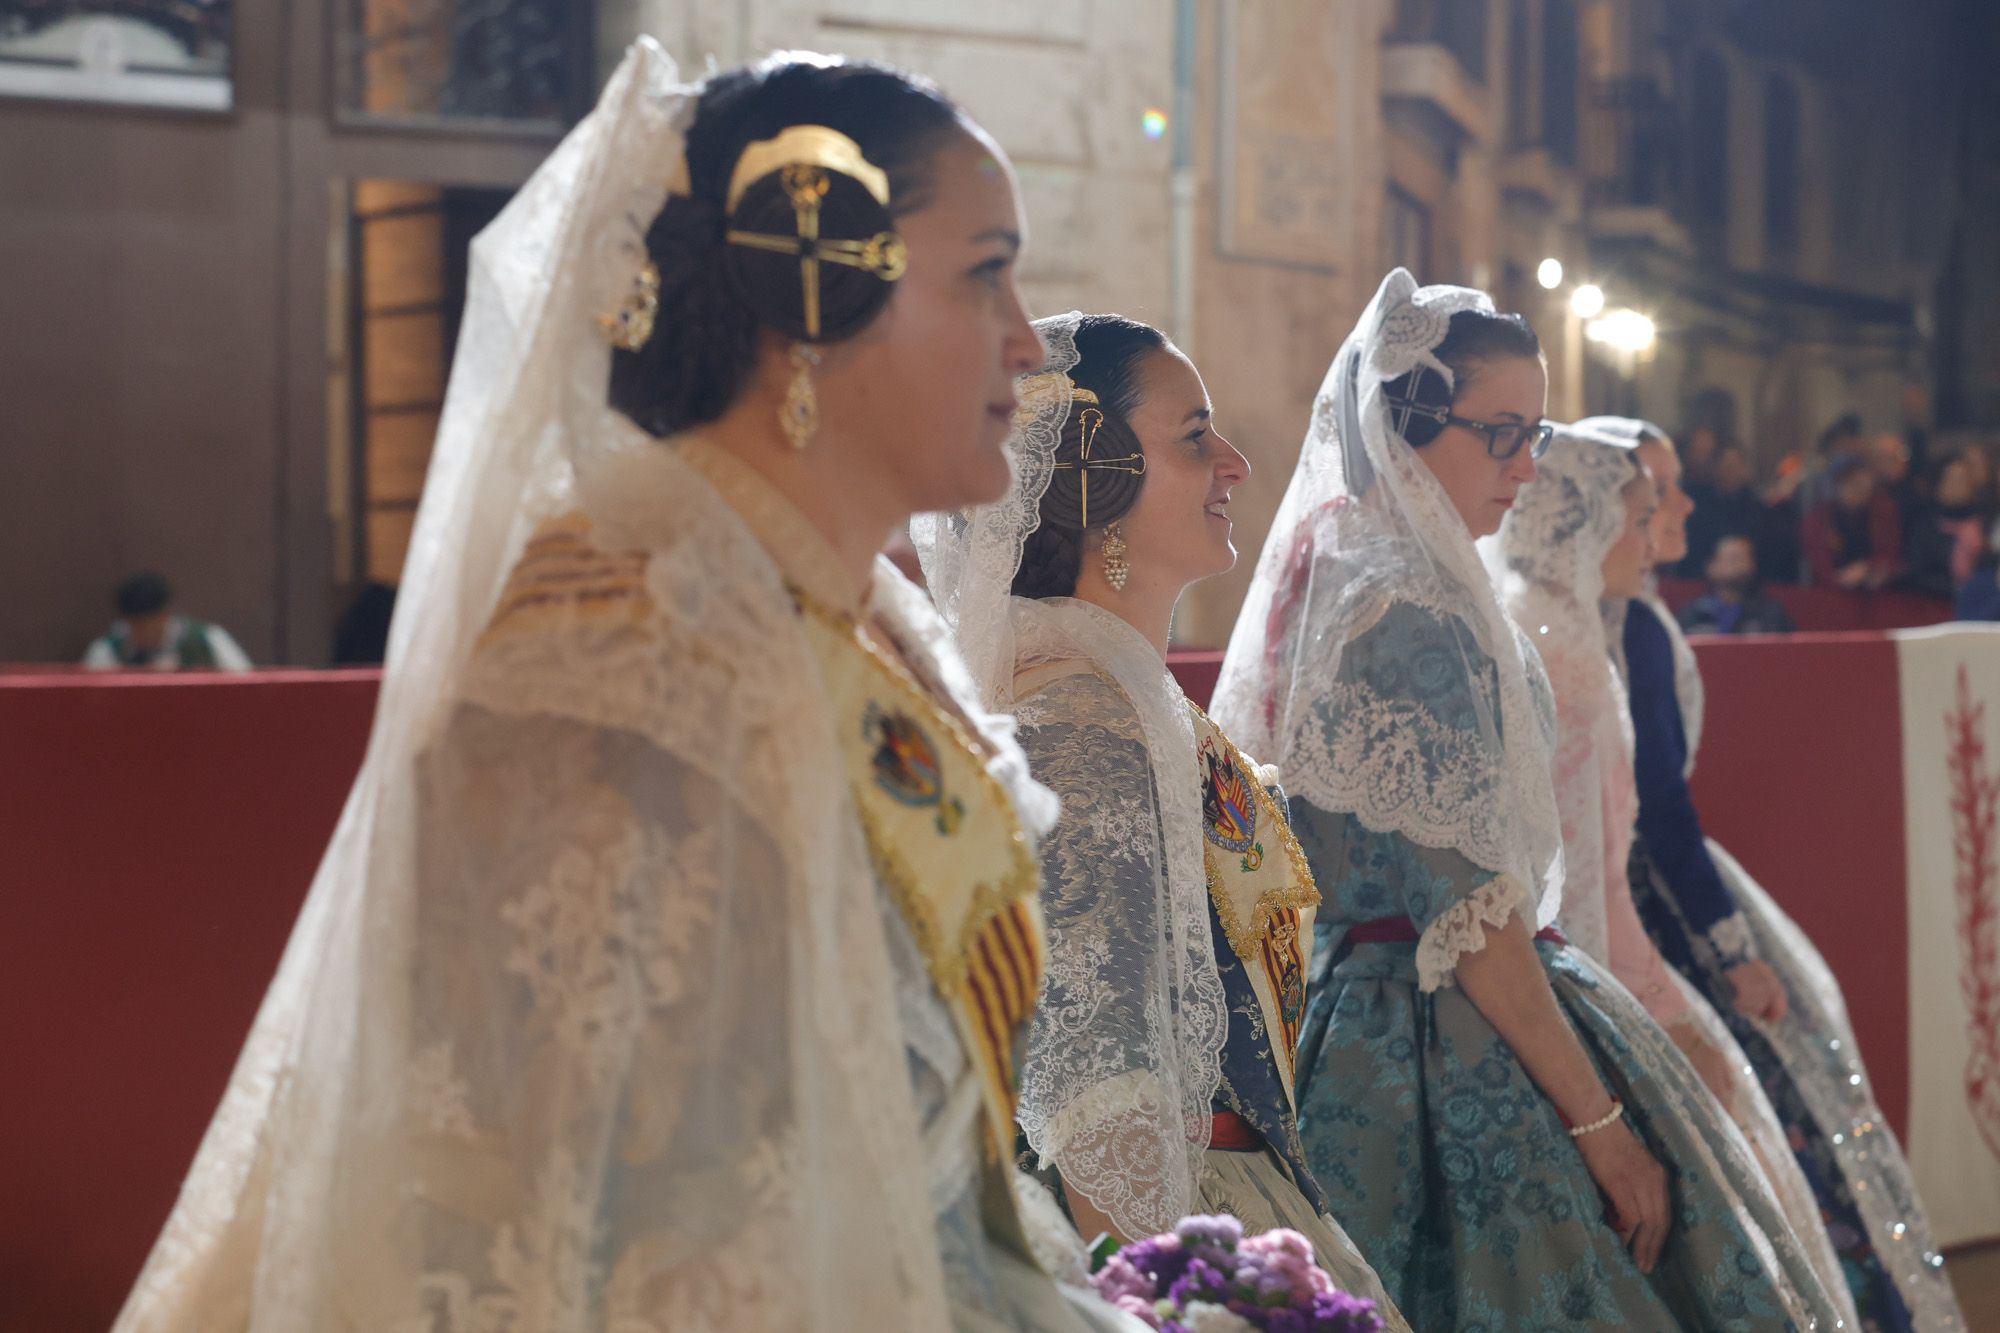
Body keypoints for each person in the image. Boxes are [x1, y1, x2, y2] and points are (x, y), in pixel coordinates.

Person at [114, 42, 1148, 1332]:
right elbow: (632, 1249)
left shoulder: (842, 613)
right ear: (805, 298)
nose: (1023, 346)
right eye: (986, 272)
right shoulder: (619, 677)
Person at [1209, 268, 1844, 1329]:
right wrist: (1597, 1122)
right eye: (1499, 432)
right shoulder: (1410, 606)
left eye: (1534, 435)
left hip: (1359, 1014)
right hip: (1437, 1026)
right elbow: (1472, 917)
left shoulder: (1364, 571)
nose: (1523, 466)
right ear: (1405, 422)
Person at [917, 313, 1408, 1327]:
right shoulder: (1087, 726)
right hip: (1151, 1221)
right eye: (1193, 436)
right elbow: (1099, 1079)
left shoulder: (1109, 696)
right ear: (1093, 485)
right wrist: (1165, 1297)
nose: (1232, 461)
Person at [1488, 426, 1853, 1324]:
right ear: (1590, 517)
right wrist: (1635, 1025)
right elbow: (1575, 871)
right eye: (1645, 509)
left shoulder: (1580, 621)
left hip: (1611, 925)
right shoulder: (1568, 641)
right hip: (1600, 941)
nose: (1661, 527)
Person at [1615, 415, 1967, 1331]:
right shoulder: (1632, 627)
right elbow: (1661, 806)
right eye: (1662, 488)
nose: (1684, 503)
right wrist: (1730, 947)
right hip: (1658, 902)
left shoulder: (1617, 617)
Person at [82, 571, 252, 671]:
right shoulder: (108, 651)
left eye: (147, 625)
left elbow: (245, 687)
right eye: (134, 626)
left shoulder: (206, 640)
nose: (141, 633)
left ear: (164, 615)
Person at [1803, 453, 1901, 589]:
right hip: (1831, 592)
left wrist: (1870, 567)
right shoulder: (1817, 520)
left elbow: (1890, 552)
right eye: (1854, 485)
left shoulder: (1883, 511)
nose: (1861, 493)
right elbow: (1821, 564)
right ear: (1837, 484)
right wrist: (1840, 578)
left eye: (1867, 488)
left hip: (1876, 592)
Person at [1678, 534, 1796, 634]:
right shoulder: (1692, 613)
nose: (1737, 565)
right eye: (1731, 559)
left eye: (1742, 558)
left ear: (1753, 565)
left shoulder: (1771, 614)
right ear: (1711, 566)